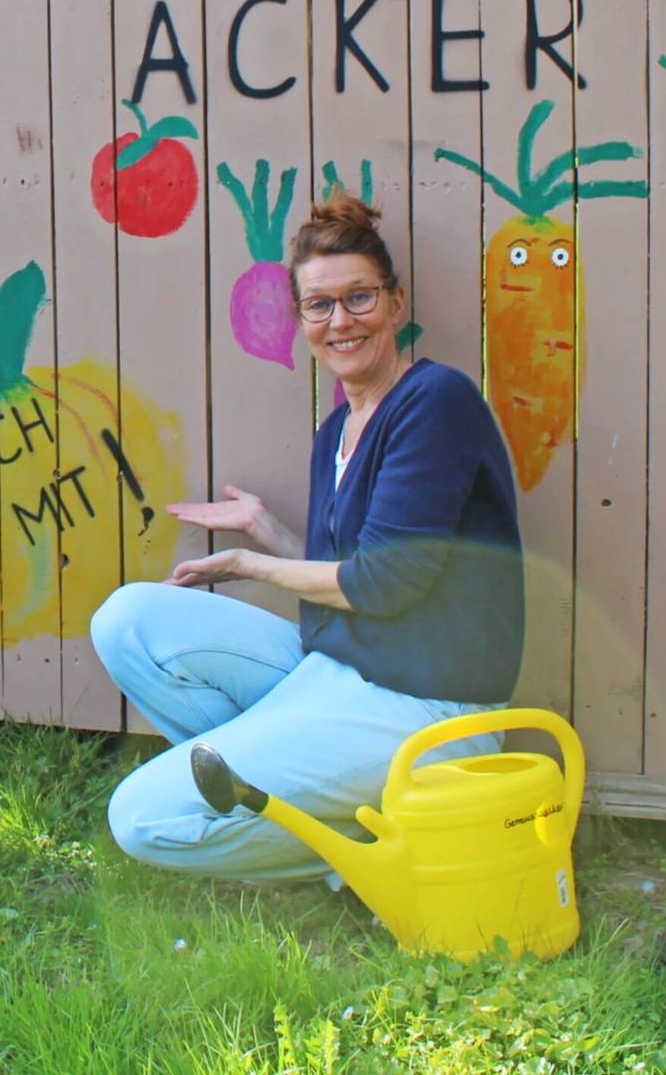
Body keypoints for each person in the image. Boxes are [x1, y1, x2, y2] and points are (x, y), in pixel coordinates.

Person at [92, 194, 524, 881]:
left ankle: (370, 853)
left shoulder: (435, 400)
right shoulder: (336, 434)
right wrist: (267, 527)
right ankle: (294, 796)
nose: (341, 321)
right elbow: (351, 576)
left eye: (359, 297)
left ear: (397, 301)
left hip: (430, 707)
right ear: (300, 319)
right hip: (342, 670)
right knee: (126, 620)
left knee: (142, 818)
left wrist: (250, 562)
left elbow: (383, 583)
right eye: (319, 305)